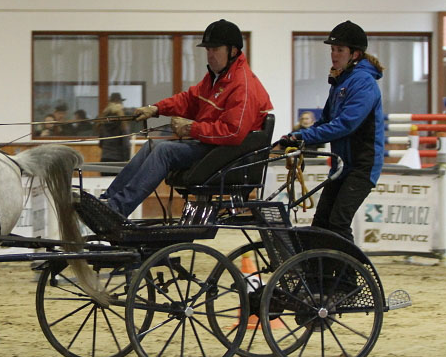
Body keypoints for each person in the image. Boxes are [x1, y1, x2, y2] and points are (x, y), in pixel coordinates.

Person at [102, 19, 273, 217]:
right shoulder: (216, 78)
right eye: (207, 49)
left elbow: (233, 132)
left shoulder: (243, 86)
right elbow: (188, 100)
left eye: (215, 49)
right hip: (212, 149)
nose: (209, 55)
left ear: (233, 51)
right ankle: (108, 200)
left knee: (164, 151)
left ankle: (117, 208)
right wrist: (156, 108)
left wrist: (192, 128)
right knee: (151, 146)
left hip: (226, 157)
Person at [280, 20, 385, 243]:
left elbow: (345, 125)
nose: (334, 55)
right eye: (332, 50)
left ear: (355, 54)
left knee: (337, 223)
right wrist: (295, 137)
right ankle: (323, 275)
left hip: (361, 166)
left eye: (339, 50)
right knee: (321, 223)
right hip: (342, 164)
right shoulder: (339, 83)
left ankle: (348, 277)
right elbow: (325, 121)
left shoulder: (364, 83)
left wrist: (302, 136)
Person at [97, 93, 132, 176]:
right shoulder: (122, 123)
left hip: (104, 160)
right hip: (119, 161)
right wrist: (128, 159)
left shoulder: (103, 121)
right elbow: (126, 144)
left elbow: (101, 143)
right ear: (118, 102)